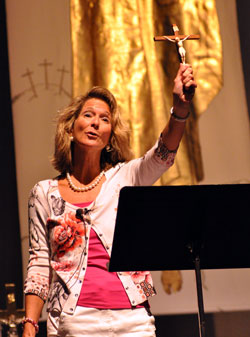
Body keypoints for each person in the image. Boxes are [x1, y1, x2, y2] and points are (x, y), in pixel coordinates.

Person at [22, 63, 196, 337]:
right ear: (70, 128)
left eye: (104, 119)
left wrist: (180, 110)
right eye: (88, 115)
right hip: (76, 320)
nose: (95, 123)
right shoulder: (44, 193)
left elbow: (163, 154)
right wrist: (30, 324)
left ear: (110, 136)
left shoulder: (125, 177)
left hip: (134, 318)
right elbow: (39, 262)